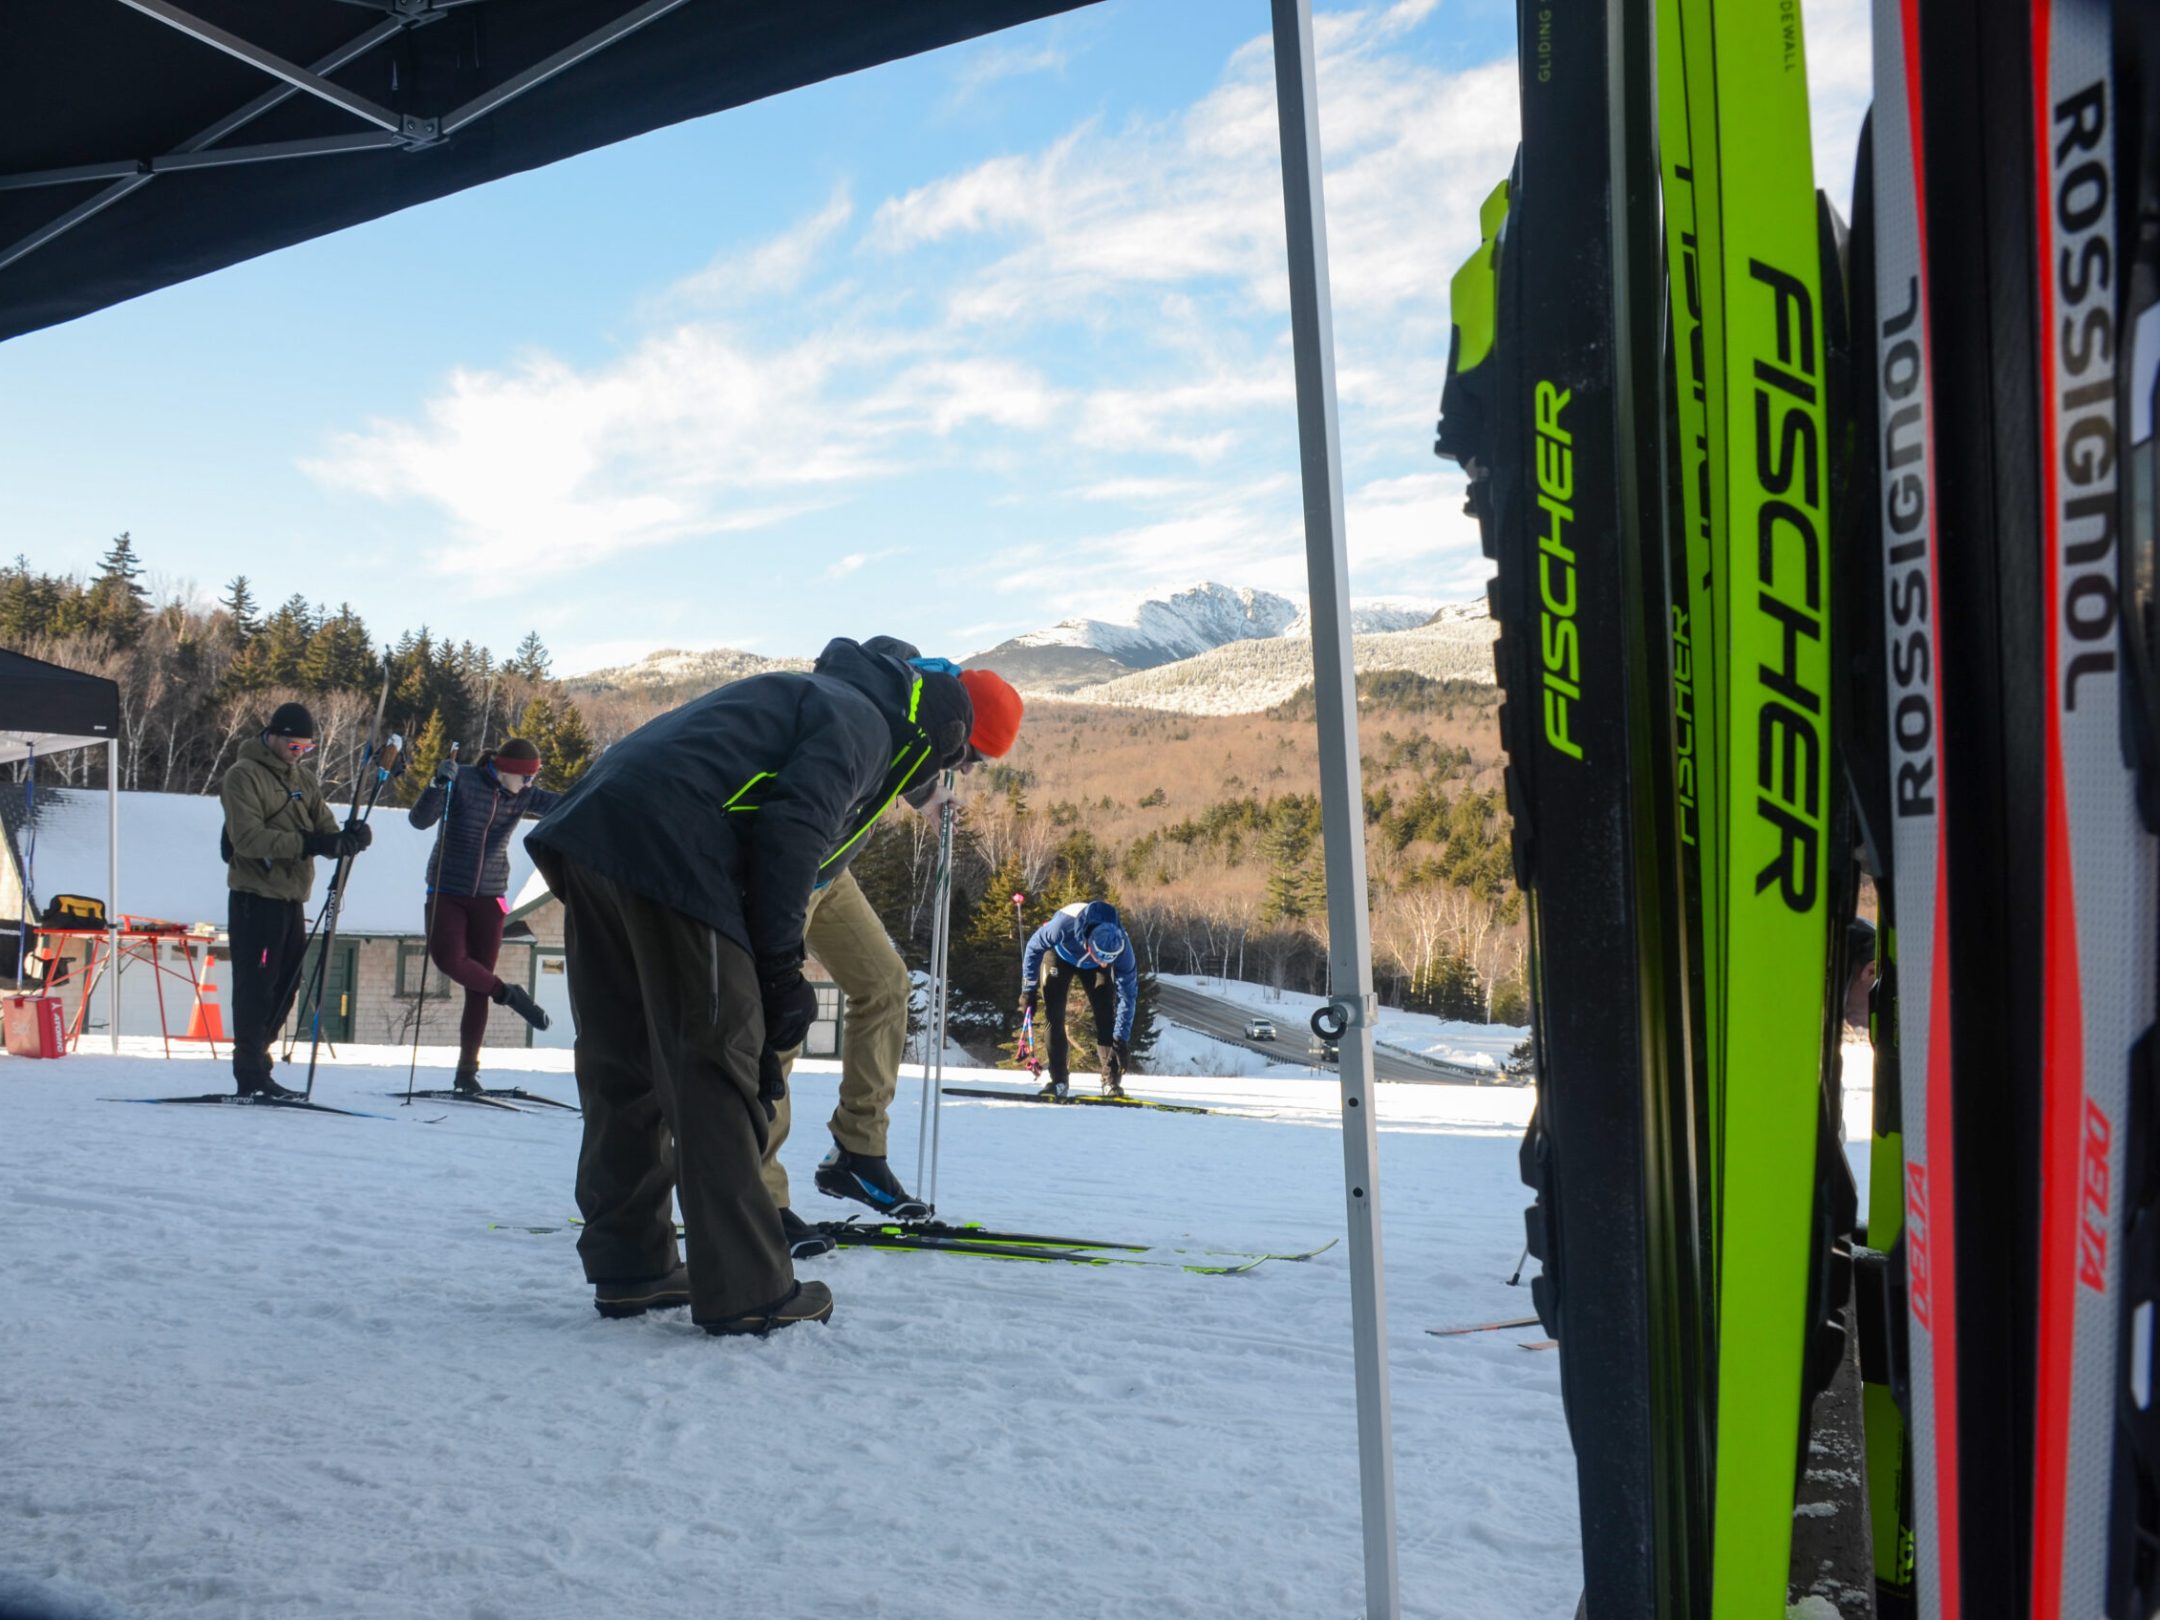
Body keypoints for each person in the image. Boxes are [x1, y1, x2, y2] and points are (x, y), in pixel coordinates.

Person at [524, 638, 975, 1336]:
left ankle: (631, 1267)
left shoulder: (817, 693)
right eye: (949, 762)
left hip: (591, 832)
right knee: (716, 1064)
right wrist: (777, 973)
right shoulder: (865, 725)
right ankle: (748, 1290)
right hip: (671, 844)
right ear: (934, 737)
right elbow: (793, 834)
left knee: (625, 1063)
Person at [762, 655, 1025, 1252]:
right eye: (973, 758)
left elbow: (908, 754)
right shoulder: (886, 709)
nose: (969, 769)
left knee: (885, 984)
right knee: (774, 1026)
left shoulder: (918, 715)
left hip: (829, 868)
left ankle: (857, 1151)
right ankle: (758, 1196)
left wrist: (928, 794)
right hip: (791, 866)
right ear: (959, 733)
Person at [219, 701, 371, 1100]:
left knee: (287, 985)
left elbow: (324, 828)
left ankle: (260, 1060)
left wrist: (347, 838)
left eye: (307, 747)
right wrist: (310, 843)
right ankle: (248, 1070)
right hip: (255, 897)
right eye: (293, 746)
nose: (299, 753)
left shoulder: (303, 780)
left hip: (291, 897)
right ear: (274, 736)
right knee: (256, 986)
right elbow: (247, 839)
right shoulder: (243, 776)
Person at [408, 737, 560, 1093]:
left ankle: (467, 1072)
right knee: (448, 960)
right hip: (448, 888)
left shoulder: (524, 795)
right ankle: (509, 993)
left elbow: (567, 804)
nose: (530, 784)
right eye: (526, 777)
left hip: (491, 896)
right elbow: (419, 821)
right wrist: (435, 785)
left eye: (533, 778)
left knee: (477, 988)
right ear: (506, 770)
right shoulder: (461, 779)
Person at [1020, 899, 1138, 1099]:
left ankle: (1111, 1082)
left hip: (1091, 969)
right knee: (1054, 1014)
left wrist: (1122, 1039)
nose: (1104, 963)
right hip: (1060, 957)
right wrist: (1028, 990)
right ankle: (1058, 1081)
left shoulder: (1122, 946)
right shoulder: (1062, 926)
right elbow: (1033, 947)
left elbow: (1128, 994)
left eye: (1110, 959)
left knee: (1105, 1014)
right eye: (1101, 956)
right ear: (1089, 945)